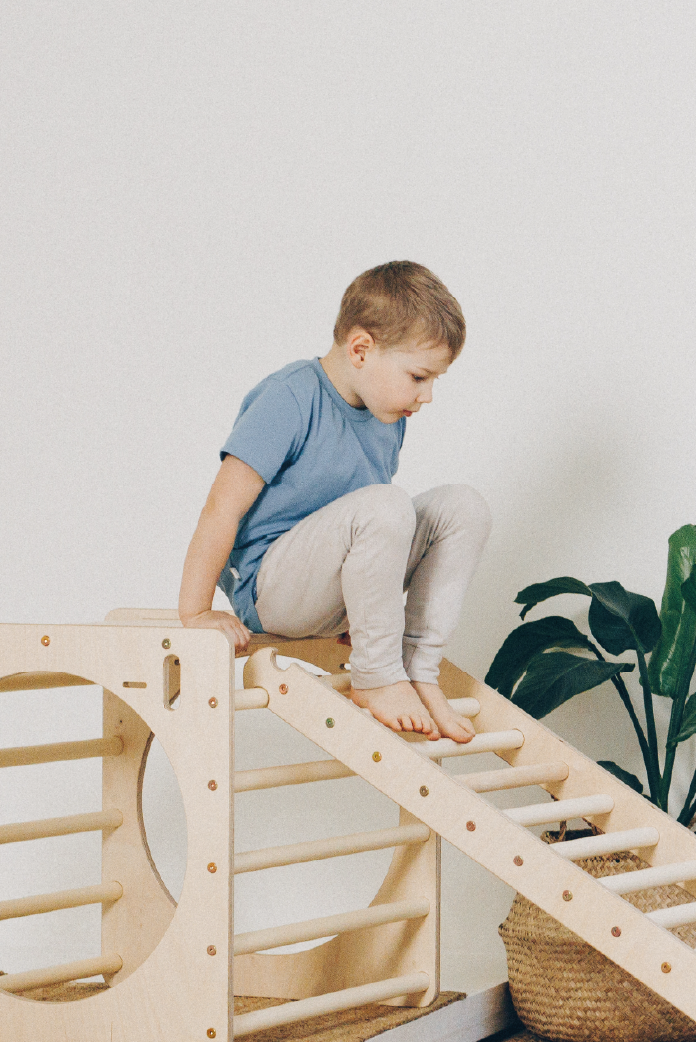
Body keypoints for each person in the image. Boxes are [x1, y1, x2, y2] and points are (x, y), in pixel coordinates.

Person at [177, 260, 492, 742]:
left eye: (433, 382)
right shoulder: (291, 396)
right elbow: (222, 507)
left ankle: (417, 668)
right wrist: (196, 611)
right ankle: (378, 677)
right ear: (361, 349)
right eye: (418, 377)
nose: (426, 396)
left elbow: (372, 539)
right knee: (387, 504)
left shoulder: (389, 415)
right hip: (272, 591)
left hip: (330, 586)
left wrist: (369, 614)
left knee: (464, 506)